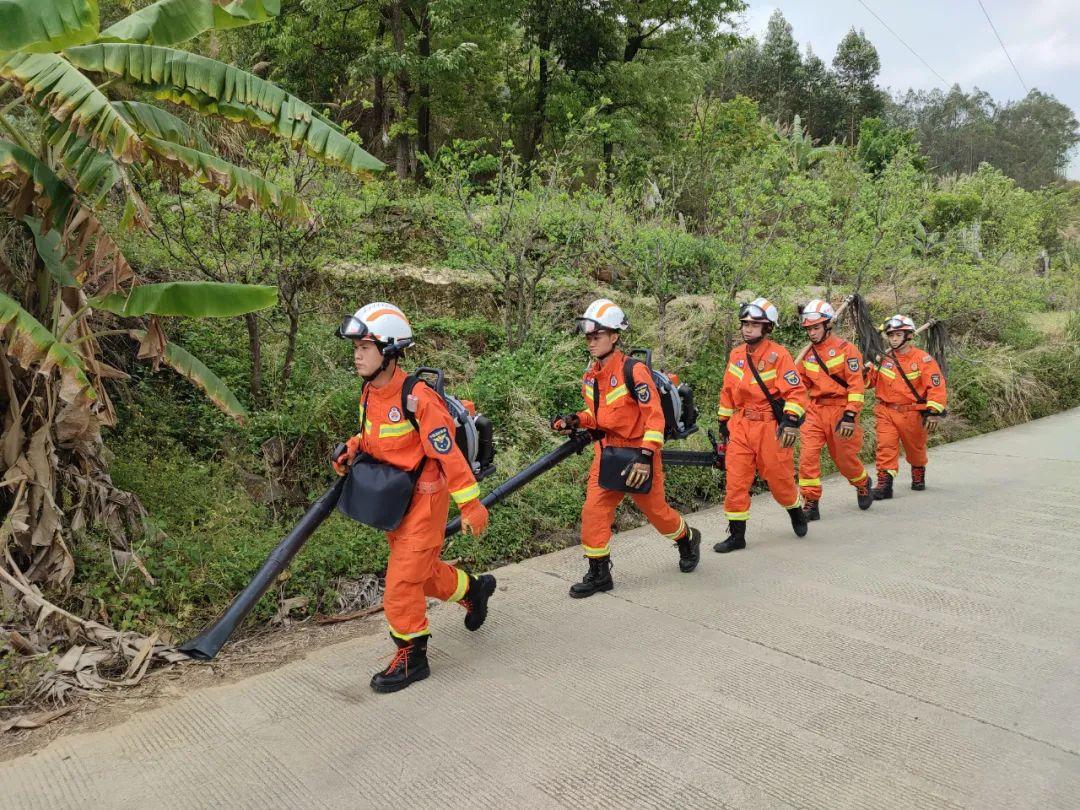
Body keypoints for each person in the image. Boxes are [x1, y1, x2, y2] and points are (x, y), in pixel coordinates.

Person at [333, 302, 493, 693]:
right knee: (420, 573)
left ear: (389, 350)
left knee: (401, 584)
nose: (356, 354)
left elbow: (448, 456)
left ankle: (412, 655)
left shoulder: (419, 399)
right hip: (394, 500)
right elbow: (375, 439)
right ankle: (473, 590)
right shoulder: (370, 392)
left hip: (425, 501)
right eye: (355, 346)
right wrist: (353, 448)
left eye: (365, 347)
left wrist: (471, 505)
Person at [550, 298, 700, 598]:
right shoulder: (591, 375)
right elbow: (600, 416)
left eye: (598, 336)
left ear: (614, 336)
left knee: (657, 513)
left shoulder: (634, 371)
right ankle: (599, 573)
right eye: (589, 337)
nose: (591, 342)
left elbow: (654, 419)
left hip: (639, 454)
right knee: (593, 511)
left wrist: (646, 457)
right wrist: (576, 420)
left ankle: (687, 538)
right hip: (606, 454)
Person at [714, 297, 810, 553]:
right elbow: (727, 390)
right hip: (742, 424)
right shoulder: (736, 355)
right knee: (736, 481)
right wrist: (723, 420)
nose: (747, 328)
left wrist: (790, 421)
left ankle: (794, 509)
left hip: (770, 428)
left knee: (779, 481)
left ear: (767, 327)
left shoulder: (779, 356)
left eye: (754, 324)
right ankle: (737, 535)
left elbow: (796, 393)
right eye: (745, 323)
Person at [795, 299, 873, 519]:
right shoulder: (807, 355)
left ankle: (862, 482)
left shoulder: (847, 350)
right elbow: (800, 386)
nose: (812, 333)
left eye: (816, 327)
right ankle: (810, 501)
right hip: (814, 410)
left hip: (841, 410)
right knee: (807, 456)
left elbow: (856, 386)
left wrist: (850, 415)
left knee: (844, 459)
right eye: (809, 328)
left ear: (828, 325)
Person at [865, 314, 947, 499]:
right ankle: (884, 485)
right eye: (891, 335)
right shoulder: (883, 359)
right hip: (886, 411)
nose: (894, 338)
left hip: (912, 414)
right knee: (885, 446)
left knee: (915, 449)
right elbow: (869, 382)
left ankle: (918, 469)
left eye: (898, 334)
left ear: (909, 335)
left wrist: (933, 412)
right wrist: (862, 373)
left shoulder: (922, 360)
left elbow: (936, 386)